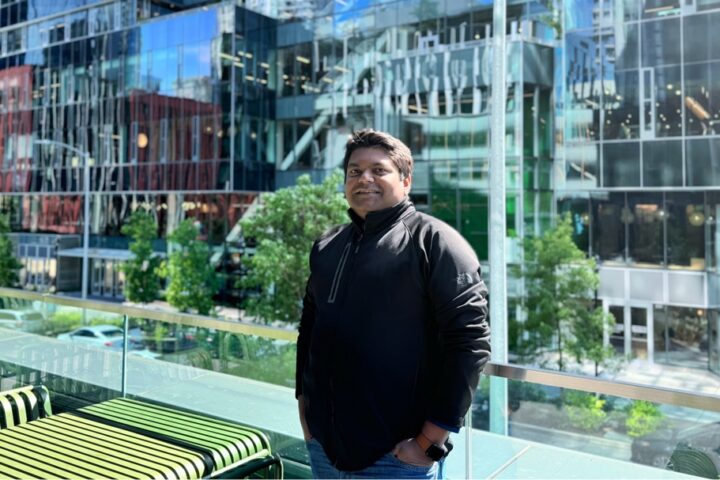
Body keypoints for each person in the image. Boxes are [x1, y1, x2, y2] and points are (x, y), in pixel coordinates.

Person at [296, 129, 490, 479]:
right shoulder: (328, 245)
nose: (364, 178)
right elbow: (309, 328)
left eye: (379, 170)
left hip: (396, 459)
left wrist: (429, 442)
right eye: (354, 171)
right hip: (323, 449)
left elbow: (470, 343)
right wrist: (305, 410)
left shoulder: (436, 242)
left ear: (405, 180)